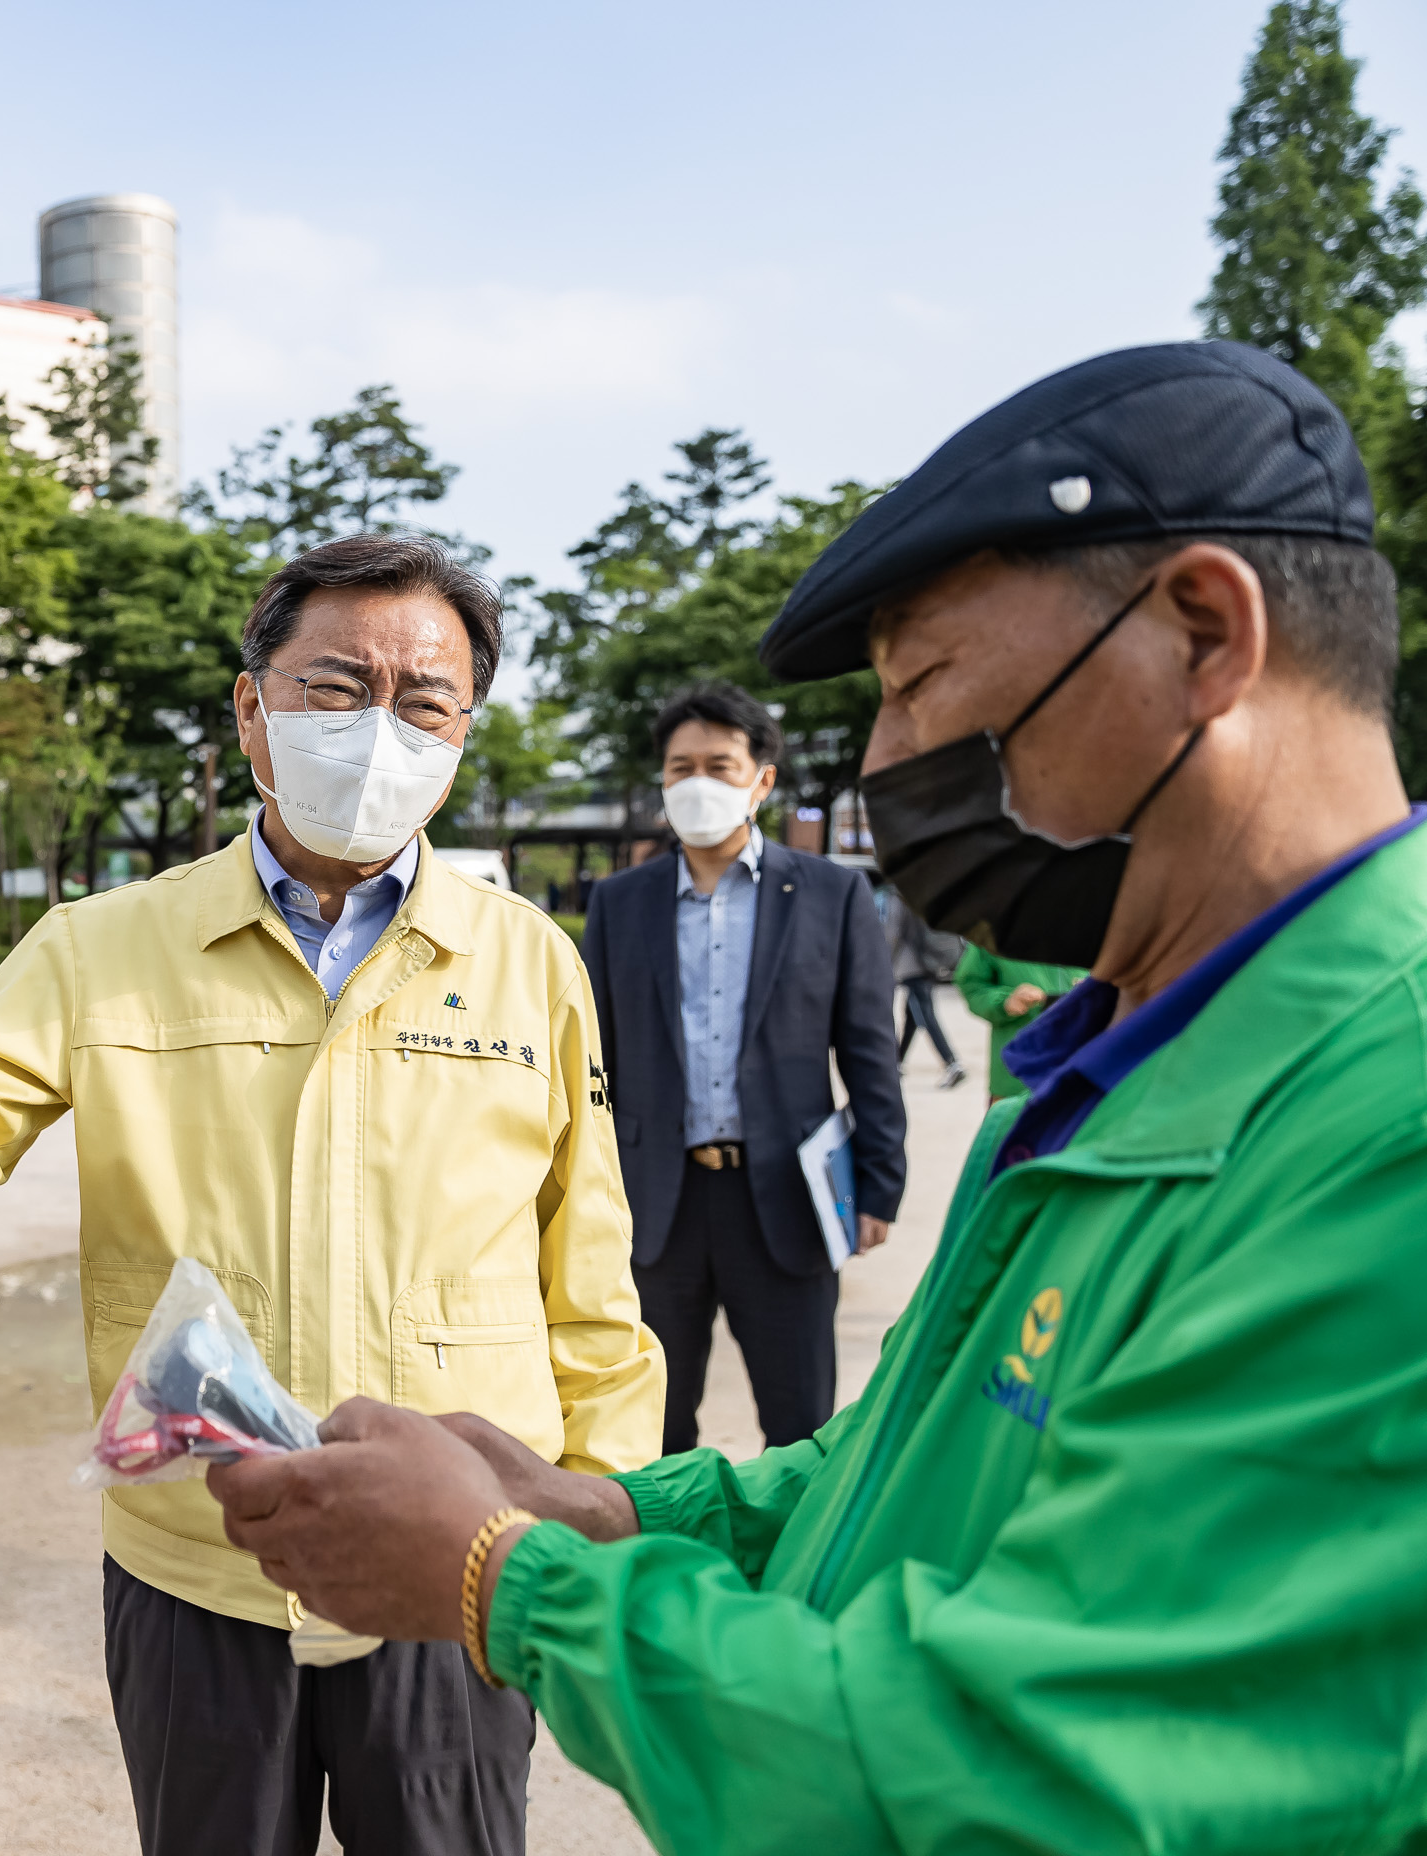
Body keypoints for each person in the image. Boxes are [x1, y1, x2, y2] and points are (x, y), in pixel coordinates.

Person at [192, 340, 1427, 1852]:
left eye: (924, 686)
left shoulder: (1385, 1129)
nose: (892, 758)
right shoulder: (1126, 1055)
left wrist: (503, 1581)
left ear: (1201, 635)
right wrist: (624, 1513)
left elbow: (1016, 1784)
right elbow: (912, 1452)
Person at [0, 534, 662, 1856]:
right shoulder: (107, 946)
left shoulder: (530, 961)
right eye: (336, 688)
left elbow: (586, 1280)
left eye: (423, 704)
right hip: (200, 1558)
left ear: (464, 731)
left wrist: (602, 1508)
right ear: (252, 710)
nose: (377, 731)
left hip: (450, 1546)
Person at [579, 683, 904, 1456]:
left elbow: (868, 1048)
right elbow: (592, 1064)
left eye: (720, 765)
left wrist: (879, 1182)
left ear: (762, 779)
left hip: (787, 1199)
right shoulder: (621, 903)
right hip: (656, 1203)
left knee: (801, 1429)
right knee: (654, 1425)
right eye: (680, 766)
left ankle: (791, 1574)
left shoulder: (831, 893)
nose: (698, 783)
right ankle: (663, 1573)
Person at [951, 943, 1087, 1102]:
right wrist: (1004, 1001)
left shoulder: (1099, 924)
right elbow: (972, 984)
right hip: (1017, 1077)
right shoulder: (997, 929)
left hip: (1085, 1071)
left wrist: (1100, 988)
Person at [883, 887, 968, 1088]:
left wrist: (883, 962)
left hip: (912, 967)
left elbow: (893, 932)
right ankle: (896, 1063)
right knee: (912, 1016)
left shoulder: (899, 896)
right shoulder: (922, 892)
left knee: (925, 1016)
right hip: (928, 961)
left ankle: (951, 1063)